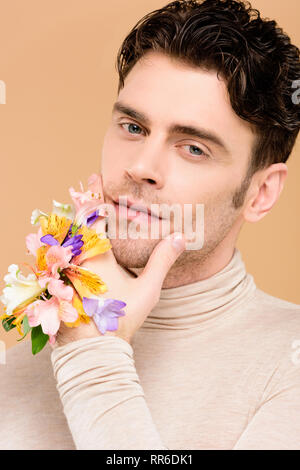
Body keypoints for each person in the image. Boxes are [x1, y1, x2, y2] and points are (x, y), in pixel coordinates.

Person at [1, 0, 300, 450]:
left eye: (194, 148)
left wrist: (95, 362)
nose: (141, 166)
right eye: (133, 127)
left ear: (260, 193)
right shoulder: (19, 362)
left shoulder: (288, 367)